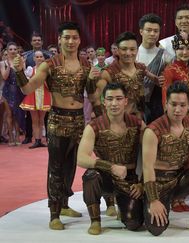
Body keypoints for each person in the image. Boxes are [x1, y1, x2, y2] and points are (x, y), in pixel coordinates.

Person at [13, 22, 99, 230]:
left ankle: (65, 204)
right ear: (59, 39)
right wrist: (18, 71)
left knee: (72, 166)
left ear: (79, 40)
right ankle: (54, 214)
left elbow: (93, 96)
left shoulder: (86, 65)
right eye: (66, 37)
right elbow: (27, 88)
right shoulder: (49, 65)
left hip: (79, 120)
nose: (70, 41)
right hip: (58, 120)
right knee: (56, 167)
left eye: (74, 38)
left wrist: (93, 82)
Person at [141, 82, 189, 236]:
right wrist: (154, 200)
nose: (177, 110)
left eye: (182, 105)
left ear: (188, 105)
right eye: (173, 104)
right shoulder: (153, 130)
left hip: (180, 179)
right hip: (158, 183)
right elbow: (147, 167)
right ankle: (148, 204)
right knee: (156, 228)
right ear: (166, 104)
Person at [77, 82, 145, 235]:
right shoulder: (94, 126)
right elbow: (81, 158)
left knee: (134, 224)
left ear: (125, 101)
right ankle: (95, 220)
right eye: (110, 99)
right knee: (91, 176)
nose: (114, 103)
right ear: (104, 101)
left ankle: (123, 208)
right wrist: (110, 167)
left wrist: (142, 184)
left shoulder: (137, 124)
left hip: (130, 179)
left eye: (119, 98)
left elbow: (151, 154)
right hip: (105, 177)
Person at [161, 32, 189, 212]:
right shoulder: (170, 70)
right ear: (175, 49)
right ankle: (173, 197)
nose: (185, 51)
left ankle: (182, 196)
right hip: (176, 119)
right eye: (181, 48)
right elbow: (165, 98)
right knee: (176, 156)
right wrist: (169, 121)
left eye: (188, 47)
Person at [96, 31, 161, 119]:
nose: (128, 53)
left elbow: (158, 81)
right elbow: (97, 100)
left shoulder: (140, 68)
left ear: (137, 50)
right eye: (124, 49)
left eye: (132, 49)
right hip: (118, 121)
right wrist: (106, 120)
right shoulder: (108, 72)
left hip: (140, 119)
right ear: (117, 51)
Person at [136, 14, 171, 123]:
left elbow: (171, 81)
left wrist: (165, 80)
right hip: (133, 105)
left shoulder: (166, 56)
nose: (152, 34)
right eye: (149, 30)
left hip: (156, 107)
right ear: (141, 31)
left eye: (156, 31)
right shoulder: (132, 53)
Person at [19, 50, 51, 148]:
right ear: (33, 59)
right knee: (34, 120)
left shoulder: (48, 71)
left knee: (41, 120)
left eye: (41, 56)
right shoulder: (30, 70)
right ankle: (37, 140)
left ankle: (40, 140)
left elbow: (50, 86)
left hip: (44, 96)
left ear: (44, 58)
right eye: (37, 57)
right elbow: (26, 84)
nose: (39, 58)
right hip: (33, 96)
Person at [0, 42, 26, 146]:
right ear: (7, 50)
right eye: (10, 49)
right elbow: (5, 77)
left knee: (17, 114)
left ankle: (17, 137)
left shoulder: (21, 61)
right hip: (7, 91)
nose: (13, 51)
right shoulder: (2, 63)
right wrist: (9, 66)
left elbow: (23, 76)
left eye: (15, 49)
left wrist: (19, 65)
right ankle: (10, 136)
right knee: (9, 114)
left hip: (18, 91)